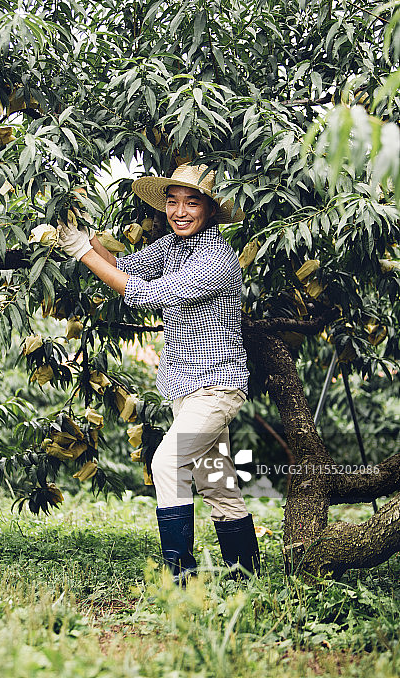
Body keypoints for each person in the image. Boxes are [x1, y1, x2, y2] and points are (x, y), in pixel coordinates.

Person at [57, 163, 260, 583]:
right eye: (173, 201)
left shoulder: (217, 258)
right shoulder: (171, 247)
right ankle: (247, 579)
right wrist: (88, 236)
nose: (180, 211)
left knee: (167, 462)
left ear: (209, 210)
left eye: (192, 202)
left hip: (215, 388)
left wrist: (82, 253)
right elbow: (130, 270)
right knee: (216, 483)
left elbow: (146, 293)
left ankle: (181, 578)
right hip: (186, 388)